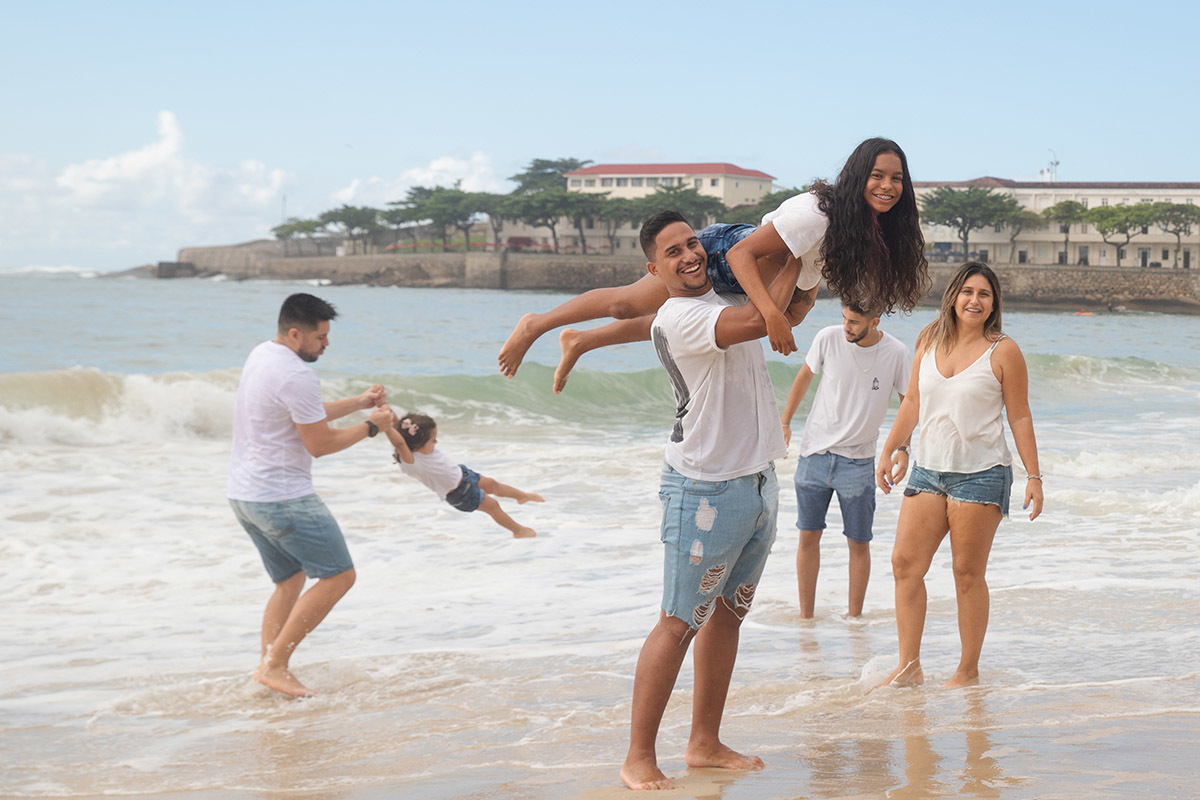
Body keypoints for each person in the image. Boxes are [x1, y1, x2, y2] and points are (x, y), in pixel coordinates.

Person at [620, 210, 811, 791]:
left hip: (756, 480)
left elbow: (785, 313)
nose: (689, 256)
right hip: (704, 489)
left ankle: (704, 742)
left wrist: (805, 274)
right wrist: (797, 247)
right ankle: (637, 757)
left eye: (692, 243)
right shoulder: (678, 316)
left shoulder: (724, 295)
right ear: (654, 269)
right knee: (679, 622)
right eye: (672, 252)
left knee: (727, 615)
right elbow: (759, 321)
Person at [496, 137, 928, 392]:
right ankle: (536, 324)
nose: (887, 186)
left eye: (896, 178)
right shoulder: (817, 213)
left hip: (769, 277)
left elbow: (814, 258)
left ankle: (581, 342)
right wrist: (775, 314)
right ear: (857, 176)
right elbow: (743, 253)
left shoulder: (872, 225)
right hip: (726, 256)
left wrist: (801, 300)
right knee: (627, 305)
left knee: (674, 324)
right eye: (877, 175)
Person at [874, 262, 1043, 690]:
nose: (974, 300)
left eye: (984, 294)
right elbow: (913, 402)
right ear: (953, 296)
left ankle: (967, 671)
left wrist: (1034, 476)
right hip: (928, 470)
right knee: (904, 565)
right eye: (967, 291)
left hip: (981, 474)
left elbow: (1020, 416)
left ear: (994, 303)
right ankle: (909, 667)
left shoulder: (1003, 350)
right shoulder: (929, 338)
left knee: (967, 574)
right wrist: (894, 448)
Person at [228, 293, 393, 698]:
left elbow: (304, 412)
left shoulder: (262, 355)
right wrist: (372, 426)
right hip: (284, 499)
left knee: (290, 580)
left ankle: (267, 667)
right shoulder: (297, 375)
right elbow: (319, 443)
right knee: (339, 575)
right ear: (295, 334)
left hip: (246, 496)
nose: (326, 344)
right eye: (320, 337)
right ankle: (276, 665)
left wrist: (359, 403)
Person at [779, 301, 912, 619]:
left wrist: (903, 448)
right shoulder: (828, 338)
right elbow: (804, 376)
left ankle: (855, 622)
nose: (846, 327)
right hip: (815, 454)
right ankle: (806, 620)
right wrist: (784, 423)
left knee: (859, 542)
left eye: (854, 322)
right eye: (844, 318)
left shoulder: (897, 353)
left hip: (858, 462)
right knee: (808, 536)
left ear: (875, 322)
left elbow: (908, 402)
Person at [382, 411, 544, 538]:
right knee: (493, 506)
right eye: (432, 440)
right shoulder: (412, 461)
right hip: (460, 494)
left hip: (463, 474)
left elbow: (399, 430)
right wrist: (386, 428)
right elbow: (399, 442)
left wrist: (383, 406)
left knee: (493, 484)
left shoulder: (417, 446)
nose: (436, 442)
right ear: (417, 444)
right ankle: (518, 531)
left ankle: (522, 496)